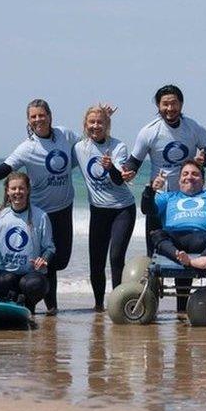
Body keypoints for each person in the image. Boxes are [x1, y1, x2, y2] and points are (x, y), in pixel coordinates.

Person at [0, 100, 94, 315]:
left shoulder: (65, 135)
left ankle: (35, 298)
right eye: (33, 117)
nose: (38, 120)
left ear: (49, 115)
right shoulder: (28, 148)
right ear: (28, 120)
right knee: (43, 262)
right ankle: (49, 307)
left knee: (60, 260)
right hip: (39, 211)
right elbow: (4, 169)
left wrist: (101, 121)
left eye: (41, 115)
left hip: (64, 207)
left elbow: (87, 145)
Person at [143, 160, 206, 312]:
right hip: (176, 242)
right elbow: (147, 209)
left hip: (204, 240)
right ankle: (193, 262)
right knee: (156, 234)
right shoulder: (169, 197)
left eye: (195, 174)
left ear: (202, 180)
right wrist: (151, 190)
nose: (189, 177)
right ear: (179, 181)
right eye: (185, 174)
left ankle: (196, 260)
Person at [125, 85, 206, 255]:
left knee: (184, 251)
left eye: (174, 103)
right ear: (158, 106)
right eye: (165, 104)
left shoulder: (194, 128)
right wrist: (127, 172)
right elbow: (134, 162)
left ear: (181, 104)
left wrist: (204, 161)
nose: (170, 109)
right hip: (161, 199)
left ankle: (184, 281)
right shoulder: (149, 132)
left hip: (187, 199)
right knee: (155, 253)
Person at [73, 105, 137, 311]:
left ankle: (118, 303)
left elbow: (119, 181)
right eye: (91, 122)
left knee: (116, 257)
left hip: (122, 209)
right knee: (96, 262)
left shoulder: (118, 147)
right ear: (85, 125)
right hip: (98, 211)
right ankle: (99, 306)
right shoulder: (79, 148)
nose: (95, 126)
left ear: (108, 125)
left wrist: (110, 168)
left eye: (100, 122)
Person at [0, 172, 53, 315]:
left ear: (28, 190)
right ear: (7, 191)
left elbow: (49, 247)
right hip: (7, 273)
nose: (17, 192)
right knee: (1, 280)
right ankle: (13, 302)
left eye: (21, 188)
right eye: (13, 189)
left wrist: (44, 259)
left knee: (35, 284)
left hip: (31, 274)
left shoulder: (41, 216)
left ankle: (28, 305)